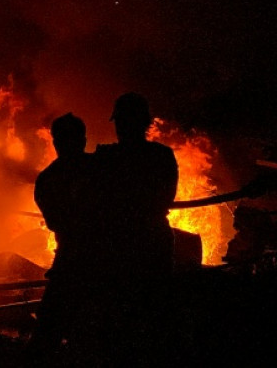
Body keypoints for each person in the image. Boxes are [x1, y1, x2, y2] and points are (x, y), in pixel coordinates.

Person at [90, 92, 179, 365]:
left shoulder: (106, 158)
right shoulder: (162, 156)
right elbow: (167, 196)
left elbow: (93, 196)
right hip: (153, 240)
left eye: (122, 122)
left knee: (120, 316)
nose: (120, 128)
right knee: (152, 315)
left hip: (119, 244)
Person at [30, 112, 96, 359]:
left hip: (70, 265)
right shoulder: (102, 169)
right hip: (106, 262)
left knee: (47, 337)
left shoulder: (47, 180)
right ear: (84, 139)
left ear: (55, 142)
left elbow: (55, 221)